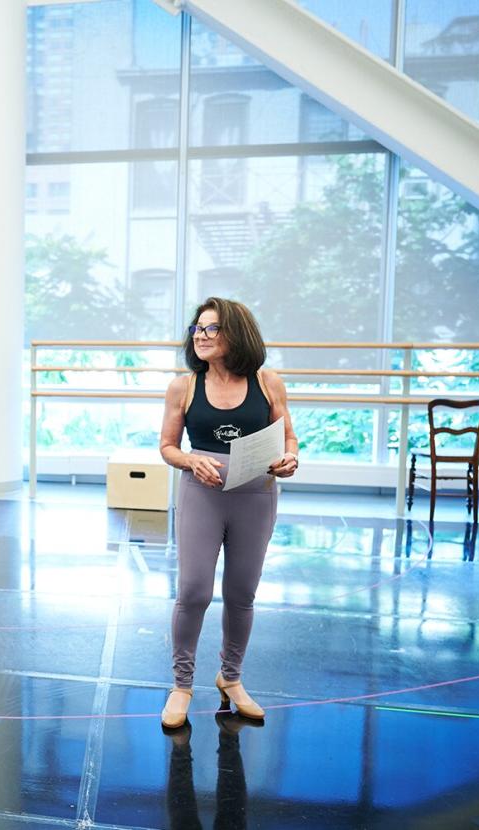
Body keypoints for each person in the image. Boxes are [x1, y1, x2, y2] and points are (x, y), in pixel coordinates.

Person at [157, 298, 298, 729]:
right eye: (197, 328)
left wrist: (290, 459)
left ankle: (230, 678)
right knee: (195, 591)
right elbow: (167, 446)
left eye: (211, 329)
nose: (200, 335)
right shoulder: (184, 387)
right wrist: (189, 460)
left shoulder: (268, 382)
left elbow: (289, 439)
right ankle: (182, 686)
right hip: (203, 491)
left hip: (255, 494)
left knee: (241, 594)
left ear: (235, 334)